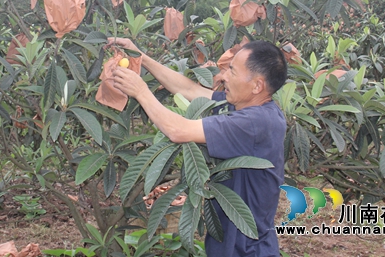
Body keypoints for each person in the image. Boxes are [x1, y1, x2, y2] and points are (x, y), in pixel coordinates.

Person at [111, 37, 287, 257]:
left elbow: (179, 131)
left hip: (246, 249)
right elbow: (189, 89)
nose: (223, 77)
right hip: (231, 242)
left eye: (232, 71)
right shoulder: (248, 106)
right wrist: (141, 57)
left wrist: (141, 91)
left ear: (257, 85)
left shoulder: (255, 123)